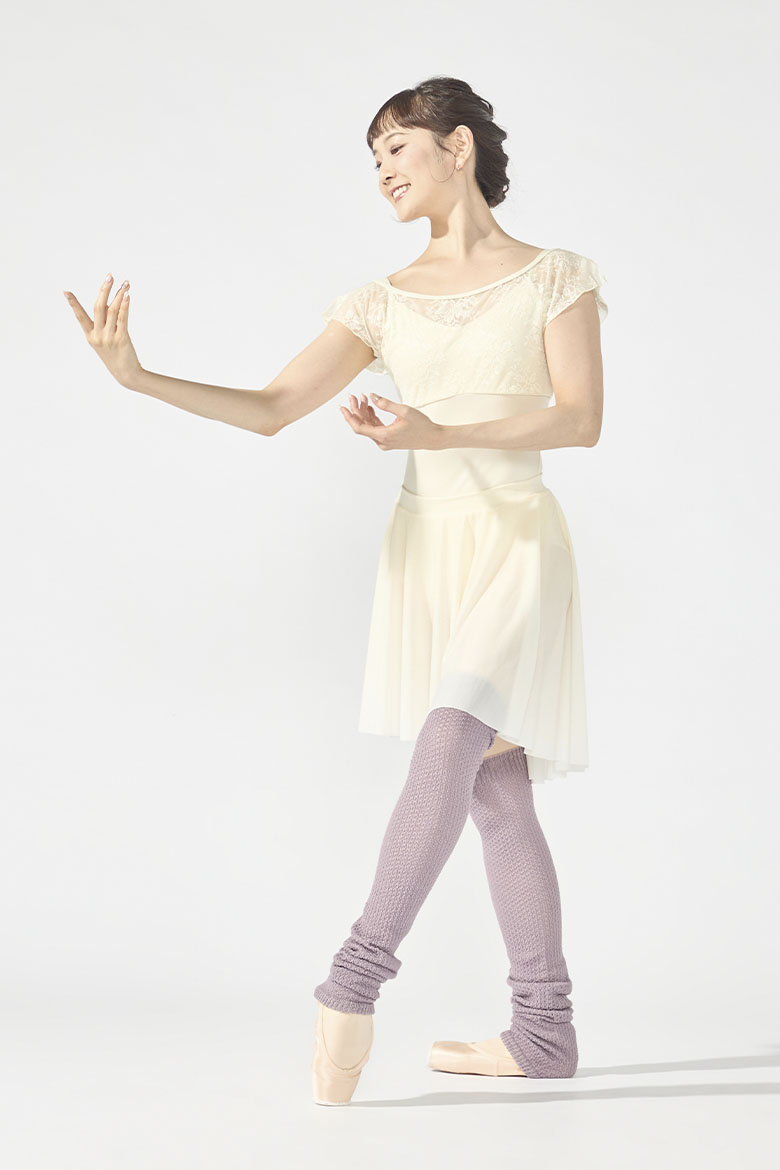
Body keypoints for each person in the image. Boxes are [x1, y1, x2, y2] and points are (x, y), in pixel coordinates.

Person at [63, 75, 607, 1108]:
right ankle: (544, 1029)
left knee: (452, 739)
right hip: (426, 548)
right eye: (373, 159)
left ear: (457, 146)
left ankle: (353, 981)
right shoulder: (380, 301)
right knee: (495, 790)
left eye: (396, 148)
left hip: (515, 539)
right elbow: (274, 406)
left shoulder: (556, 276)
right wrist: (140, 377)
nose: (382, 171)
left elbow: (580, 419)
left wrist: (438, 431)